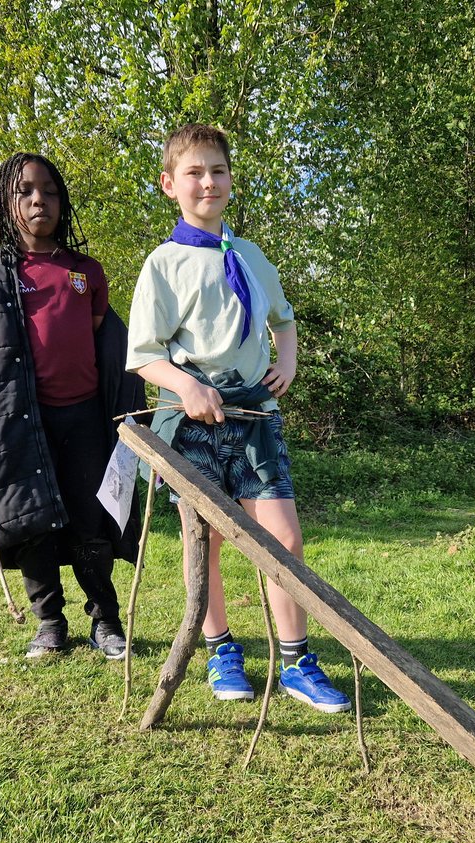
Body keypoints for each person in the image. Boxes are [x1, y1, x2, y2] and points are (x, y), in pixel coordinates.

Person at [126, 124, 350, 713]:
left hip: (255, 416)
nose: (208, 182)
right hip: (192, 424)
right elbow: (144, 355)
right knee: (209, 542)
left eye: (217, 171)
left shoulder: (249, 255)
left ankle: (299, 660)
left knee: (284, 537)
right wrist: (187, 386)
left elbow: (284, 317)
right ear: (170, 185)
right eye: (194, 173)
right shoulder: (164, 264)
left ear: (230, 179)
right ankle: (221, 650)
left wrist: (288, 362)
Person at [0, 152, 143, 661]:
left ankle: (106, 621)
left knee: (91, 521)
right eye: (25, 191)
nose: (39, 201)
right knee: (30, 522)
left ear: (63, 201)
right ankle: (50, 624)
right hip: (15, 422)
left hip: (85, 418)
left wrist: (131, 418)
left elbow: (110, 345)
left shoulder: (85, 272)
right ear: (6, 202)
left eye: (49, 191)